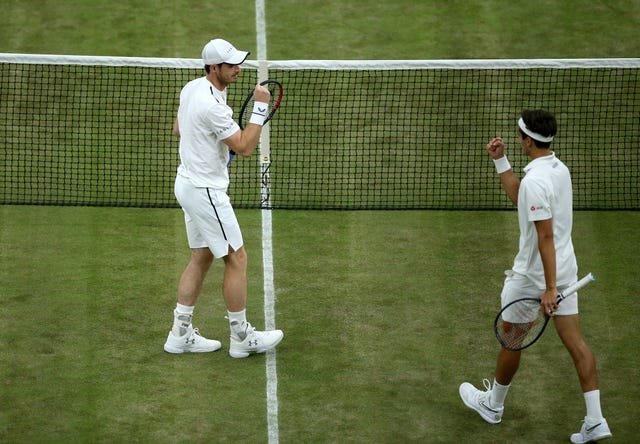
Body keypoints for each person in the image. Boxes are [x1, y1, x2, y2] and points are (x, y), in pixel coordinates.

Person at [459, 110, 611, 443]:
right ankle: (596, 419)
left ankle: (493, 406)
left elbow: (543, 236)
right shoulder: (558, 170)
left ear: (528, 140)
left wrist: (549, 288)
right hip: (566, 270)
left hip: (533, 278)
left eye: (517, 135)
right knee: (577, 344)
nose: (516, 138)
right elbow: (521, 198)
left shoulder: (536, 181)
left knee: (512, 338)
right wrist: (501, 161)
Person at [163, 38, 283, 358]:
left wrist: (209, 142)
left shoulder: (192, 89)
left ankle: (180, 333)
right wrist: (260, 107)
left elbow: (179, 129)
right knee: (237, 258)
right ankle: (242, 336)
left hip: (187, 183)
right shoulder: (213, 106)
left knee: (201, 257)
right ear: (213, 68)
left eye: (238, 63)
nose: (238, 70)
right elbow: (243, 147)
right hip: (205, 191)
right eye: (230, 66)